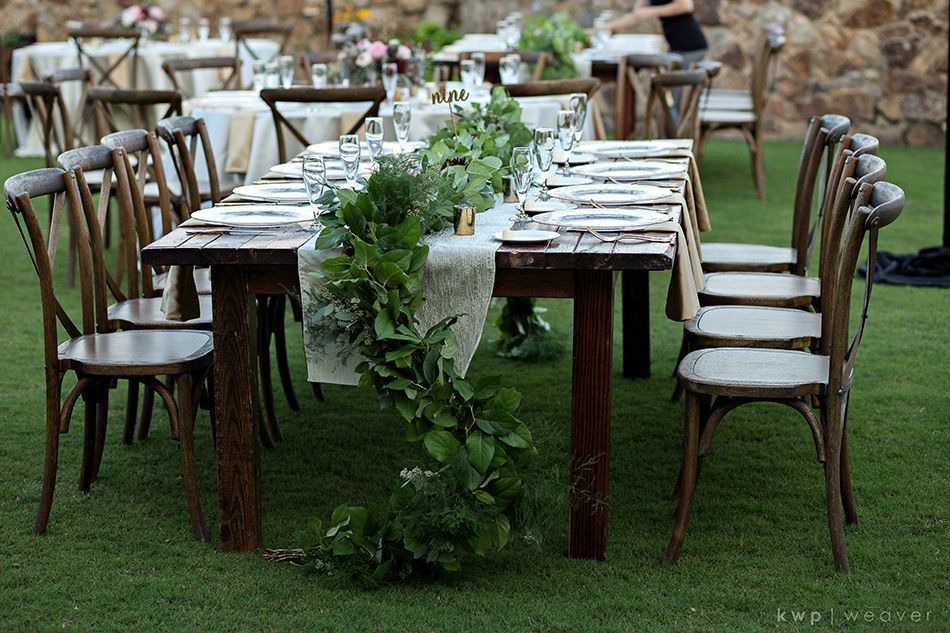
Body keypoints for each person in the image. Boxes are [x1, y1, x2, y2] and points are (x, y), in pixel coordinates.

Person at [601, 0, 708, 67]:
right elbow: (636, 15)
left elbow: (685, 5)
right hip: (676, 46)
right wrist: (604, 28)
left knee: (677, 93)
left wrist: (651, 11)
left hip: (691, 45)